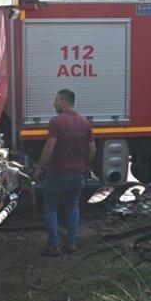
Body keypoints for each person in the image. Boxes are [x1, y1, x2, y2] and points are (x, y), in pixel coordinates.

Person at [33, 88, 95, 256]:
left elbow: (49, 147)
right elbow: (92, 149)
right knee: (73, 206)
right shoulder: (85, 123)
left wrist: (39, 168)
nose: (54, 103)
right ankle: (71, 243)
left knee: (50, 207)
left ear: (64, 102)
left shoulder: (56, 122)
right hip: (78, 175)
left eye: (56, 100)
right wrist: (86, 166)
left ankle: (54, 246)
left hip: (58, 174)